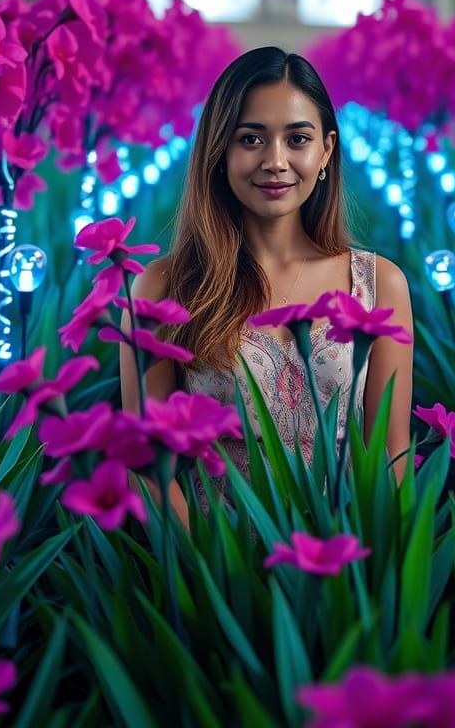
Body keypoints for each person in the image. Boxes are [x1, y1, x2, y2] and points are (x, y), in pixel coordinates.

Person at [120, 46, 414, 523]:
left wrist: (366, 577)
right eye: (251, 139)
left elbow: (391, 457)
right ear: (218, 151)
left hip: (343, 567)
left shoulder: (379, 284)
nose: (276, 161)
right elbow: (147, 466)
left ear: (327, 151)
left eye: (297, 139)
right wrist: (219, 570)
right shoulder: (164, 287)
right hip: (213, 563)